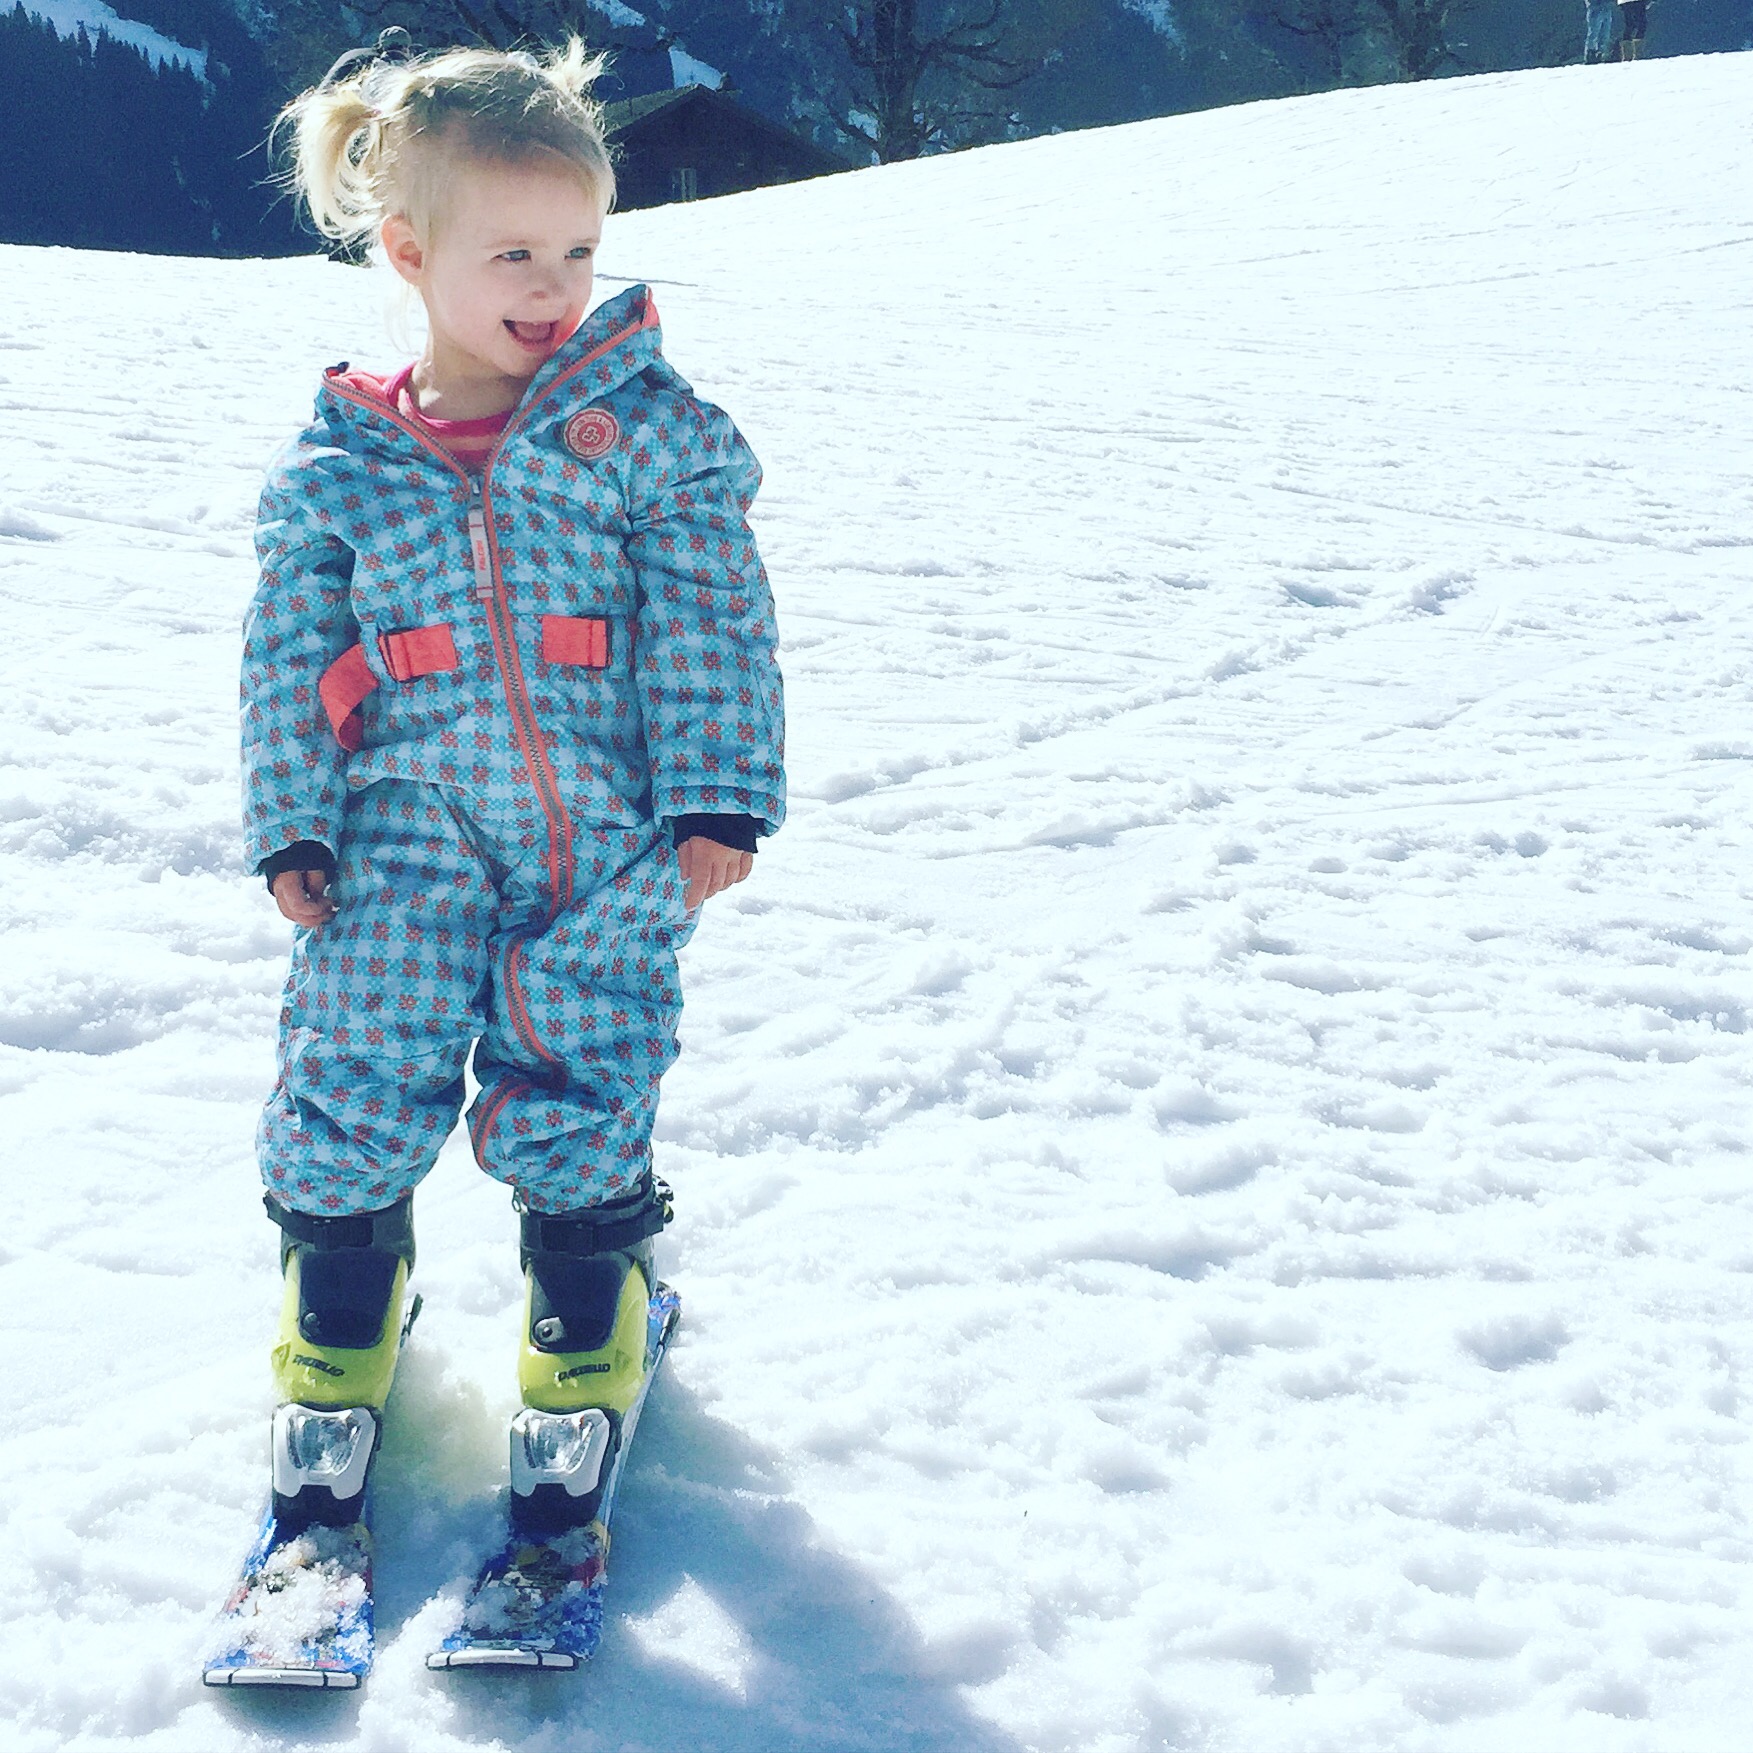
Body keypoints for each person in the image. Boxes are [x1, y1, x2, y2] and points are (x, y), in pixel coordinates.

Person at [241, 36, 784, 1530]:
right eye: (514, 254)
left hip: (599, 833)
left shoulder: (640, 427)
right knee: (356, 1056)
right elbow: (288, 649)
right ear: (410, 253)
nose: (555, 286)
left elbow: (711, 603)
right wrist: (290, 814)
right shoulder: (343, 460)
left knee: (585, 1056)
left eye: (578, 250)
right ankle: (338, 1316)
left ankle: (587, 1318)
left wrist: (716, 791)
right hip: (396, 836)